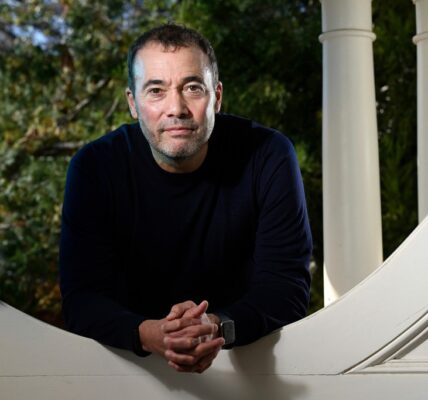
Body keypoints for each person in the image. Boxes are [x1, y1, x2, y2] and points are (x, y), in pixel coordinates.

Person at [59, 23, 312, 374]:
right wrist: (149, 335)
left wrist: (217, 327)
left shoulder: (268, 155)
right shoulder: (94, 167)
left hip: (248, 369)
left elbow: (286, 287)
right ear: (133, 103)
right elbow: (81, 298)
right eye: (156, 91)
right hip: (125, 371)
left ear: (217, 97)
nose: (175, 108)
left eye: (193, 88)